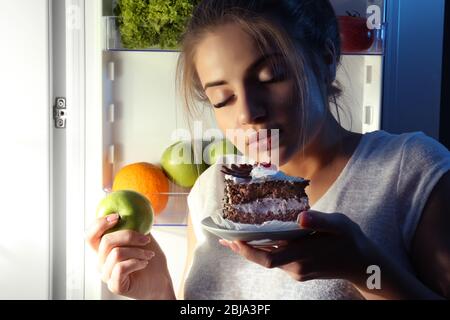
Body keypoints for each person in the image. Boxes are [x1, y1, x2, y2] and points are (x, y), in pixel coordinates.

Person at [86, 0, 450, 300]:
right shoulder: (212, 190)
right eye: (222, 98)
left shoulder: (410, 170)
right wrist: (157, 291)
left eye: (271, 77)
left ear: (325, 60)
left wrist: (363, 270)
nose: (247, 113)